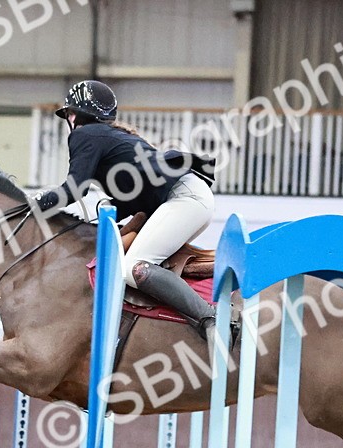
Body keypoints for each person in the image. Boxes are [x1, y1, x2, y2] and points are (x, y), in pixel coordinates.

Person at [33, 80, 219, 341]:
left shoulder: (84, 134)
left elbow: (75, 189)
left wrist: (36, 203)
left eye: (69, 114)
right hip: (188, 199)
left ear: (74, 115)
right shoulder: (113, 140)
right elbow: (127, 205)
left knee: (133, 267)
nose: (69, 119)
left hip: (185, 200)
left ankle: (209, 318)